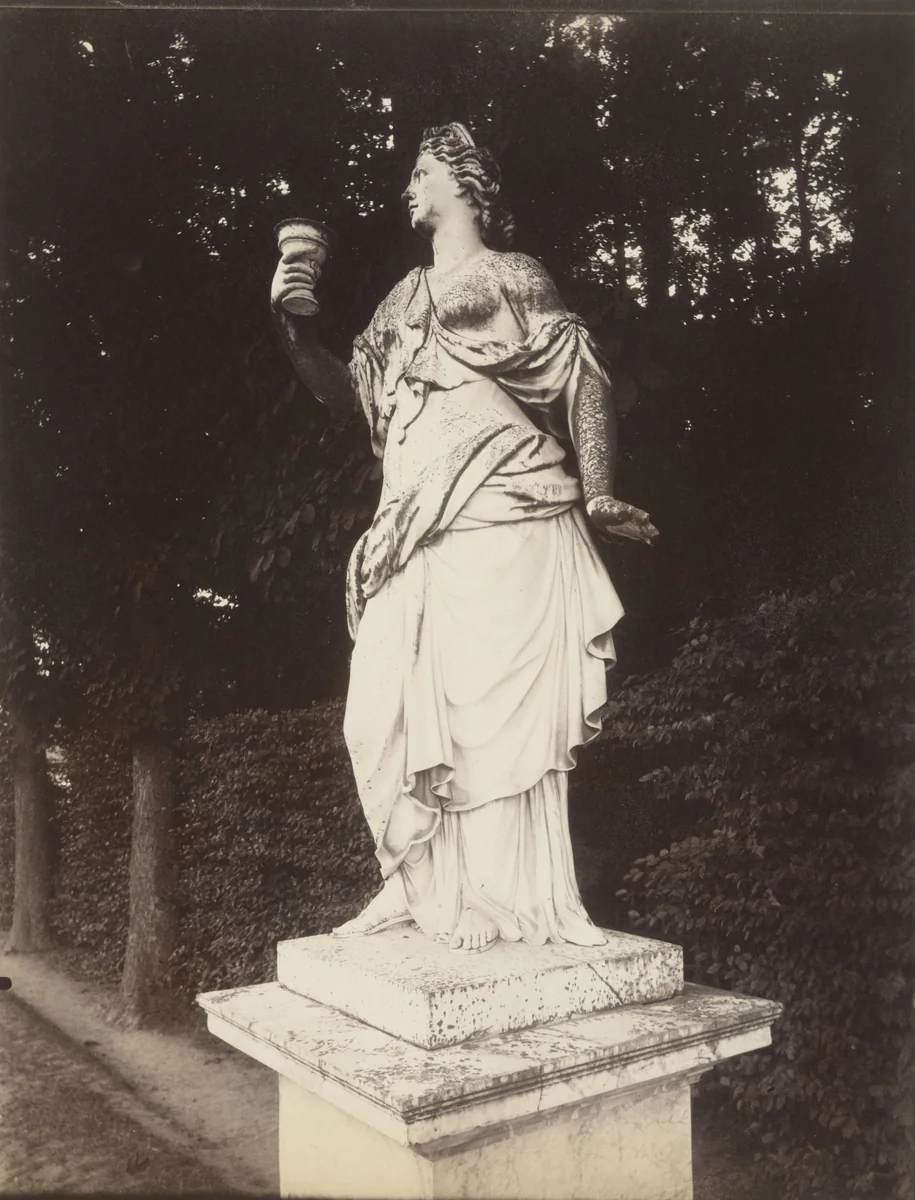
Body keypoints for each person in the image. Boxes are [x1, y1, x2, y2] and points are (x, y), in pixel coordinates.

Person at [271, 122, 657, 955]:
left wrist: (597, 493)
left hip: (504, 500)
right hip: (411, 520)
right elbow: (351, 401)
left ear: (465, 179)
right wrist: (295, 332)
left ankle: (499, 899)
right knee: (380, 710)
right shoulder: (399, 300)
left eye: (421, 170)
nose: (409, 186)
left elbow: (580, 376)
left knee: (488, 712)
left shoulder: (511, 275)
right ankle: (417, 882)